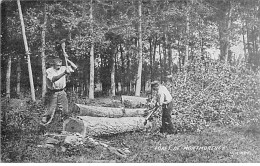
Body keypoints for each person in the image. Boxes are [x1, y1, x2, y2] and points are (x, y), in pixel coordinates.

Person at [41, 54, 77, 124]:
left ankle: (65, 125)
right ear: (53, 65)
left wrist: (67, 59)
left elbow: (74, 67)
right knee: (50, 110)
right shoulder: (49, 70)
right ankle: (43, 124)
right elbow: (54, 79)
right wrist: (64, 73)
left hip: (62, 91)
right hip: (53, 92)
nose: (59, 67)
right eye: (58, 65)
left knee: (65, 110)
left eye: (60, 65)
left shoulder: (63, 68)